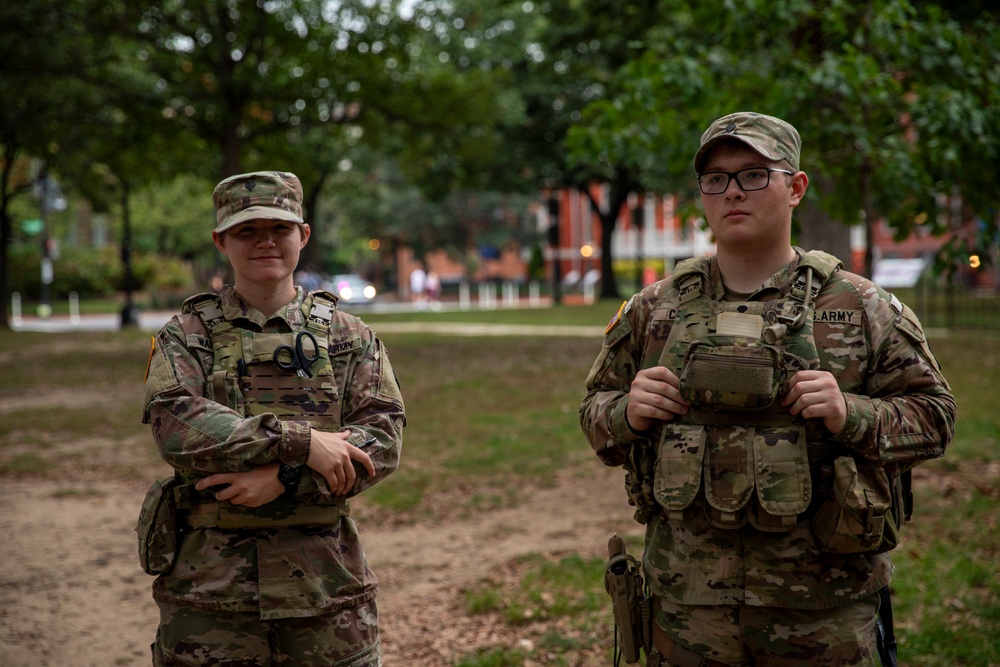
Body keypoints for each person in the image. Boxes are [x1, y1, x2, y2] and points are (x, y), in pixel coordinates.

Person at [580, 112, 955, 667]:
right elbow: (594, 412)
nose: (732, 191)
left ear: (795, 187)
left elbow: (936, 417)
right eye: (717, 178)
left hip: (821, 613)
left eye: (754, 174)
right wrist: (627, 413)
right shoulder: (654, 309)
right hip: (687, 612)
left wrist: (850, 412)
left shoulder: (859, 306)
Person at [139, 171, 405, 667]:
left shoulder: (351, 336)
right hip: (211, 599)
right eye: (246, 230)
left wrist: (285, 478)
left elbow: (383, 439)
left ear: (303, 235)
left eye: (279, 228)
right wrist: (301, 444)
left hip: (326, 596)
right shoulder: (185, 336)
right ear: (221, 241)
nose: (265, 241)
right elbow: (179, 426)